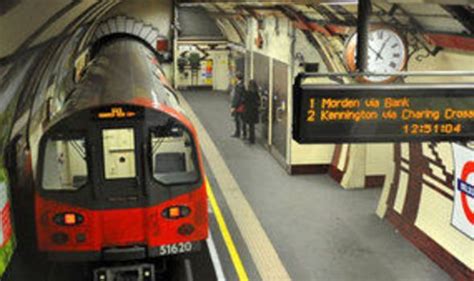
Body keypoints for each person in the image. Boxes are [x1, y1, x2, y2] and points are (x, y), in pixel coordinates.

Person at [243, 80, 260, 144]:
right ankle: (252, 139)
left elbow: (244, 101)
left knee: (249, 126)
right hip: (254, 112)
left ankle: (250, 139)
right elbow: (258, 102)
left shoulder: (247, 93)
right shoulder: (256, 93)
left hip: (248, 111)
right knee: (252, 126)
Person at [230, 73, 246, 138]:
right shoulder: (242, 85)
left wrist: (233, 106)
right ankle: (243, 133)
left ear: (237, 78)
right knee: (242, 120)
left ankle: (238, 133)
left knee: (237, 120)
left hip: (238, 106)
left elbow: (237, 97)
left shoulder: (239, 86)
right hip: (241, 105)